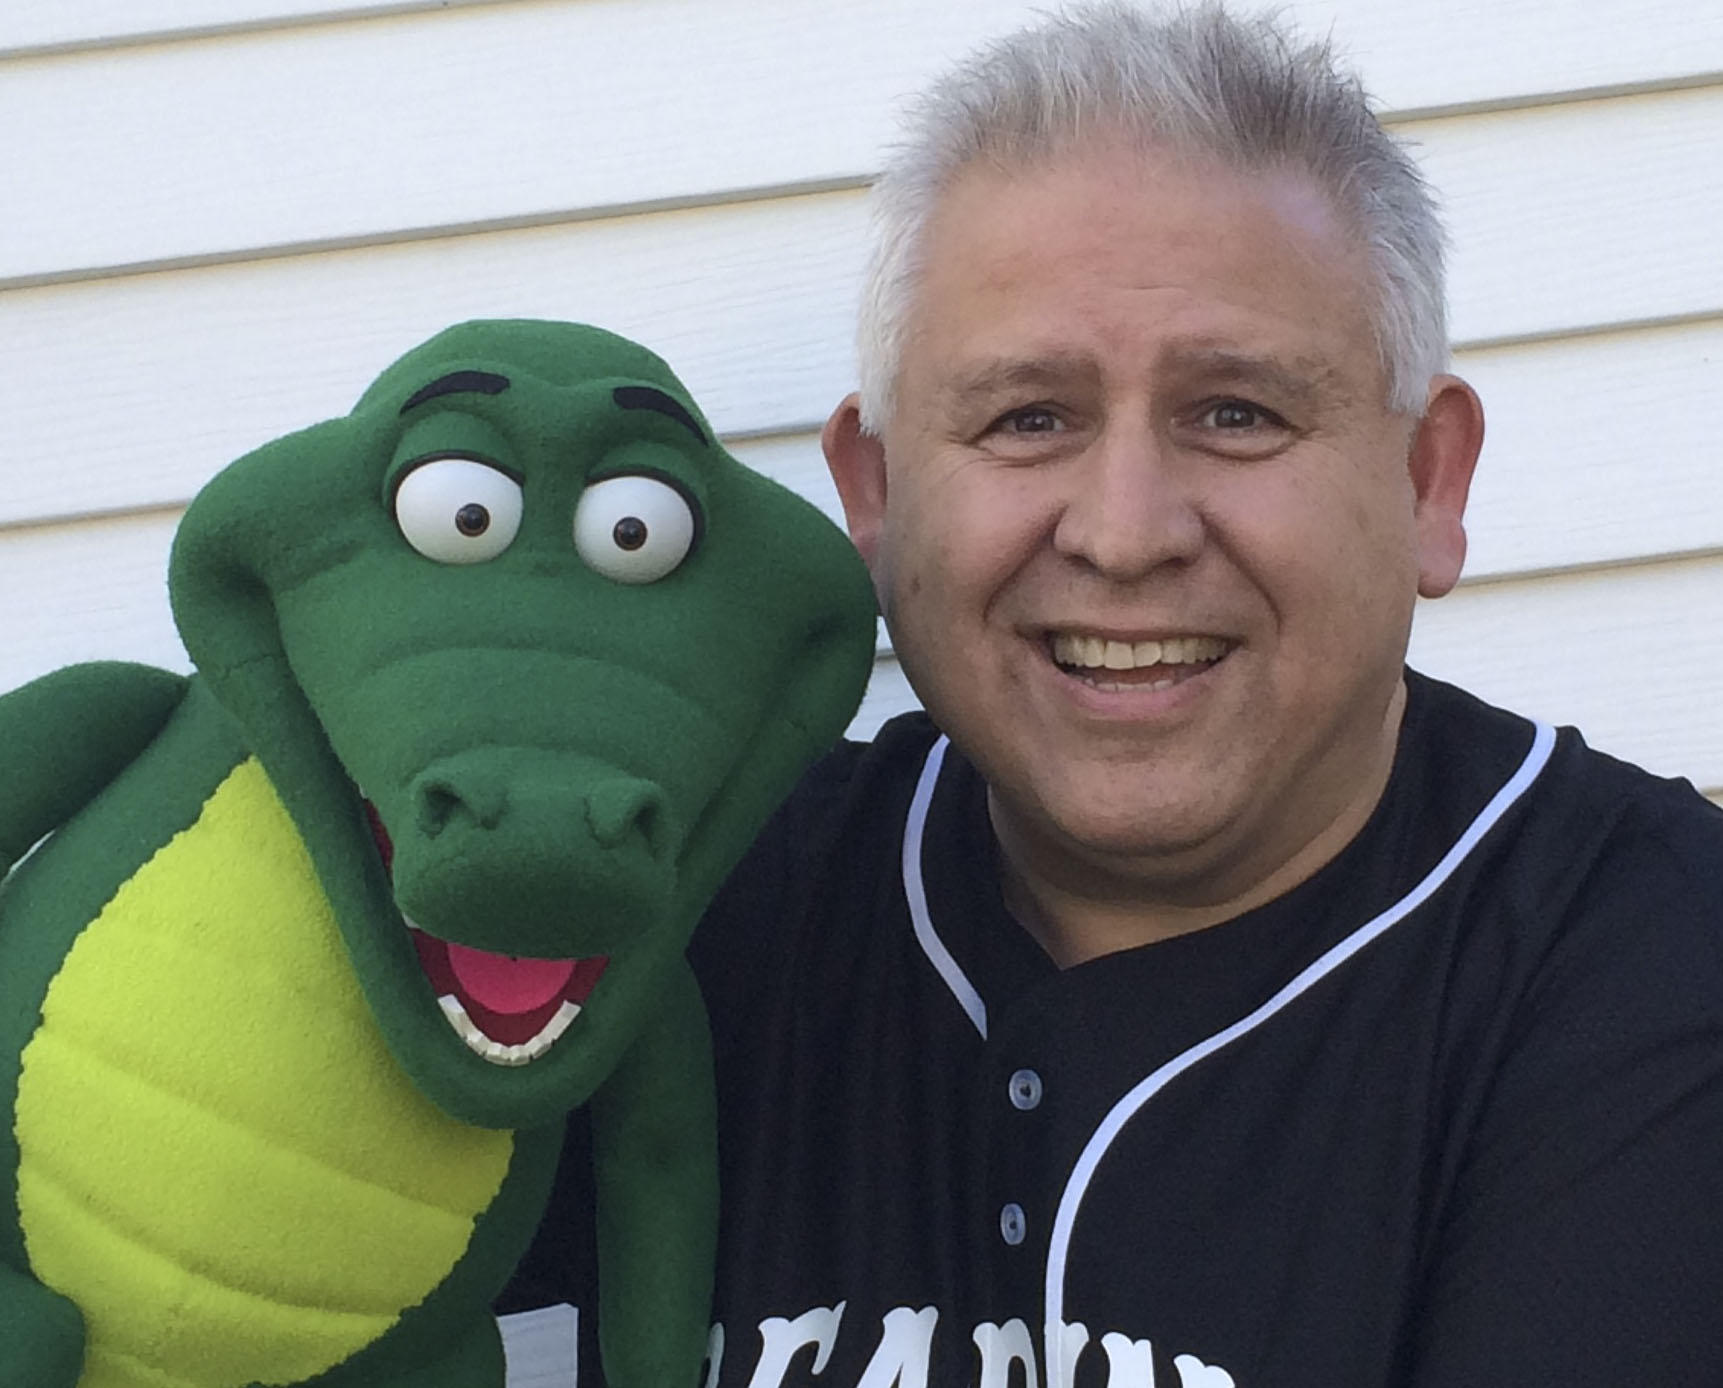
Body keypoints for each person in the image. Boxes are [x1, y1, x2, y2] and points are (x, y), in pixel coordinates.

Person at [501, 4, 1723, 1384]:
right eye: (1029, 418)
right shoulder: (696, 896)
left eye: (1238, 412)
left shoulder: (1653, 967)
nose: (1126, 532)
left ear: (1428, 481)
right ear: (880, 498)